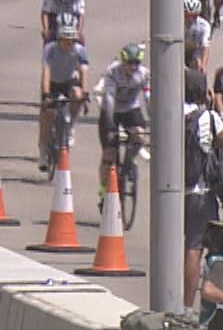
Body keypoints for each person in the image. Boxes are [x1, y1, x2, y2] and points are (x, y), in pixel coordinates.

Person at [183, 73, 223, 310]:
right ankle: (189, 307)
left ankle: (170, 298)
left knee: (176, 246)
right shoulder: (208, 117)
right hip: (200, 192)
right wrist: (213, 109)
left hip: (172, 194)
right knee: (195, 248)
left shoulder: (171, 110)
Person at [98, 44, 151, 199]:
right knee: (109, 153)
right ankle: (102, 189)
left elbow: (148, 99)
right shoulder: (113, 72)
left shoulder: (143, 74)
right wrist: (109, 126)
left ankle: (128, 163)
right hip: (112, 110)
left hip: (131, 109)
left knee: (140, 136)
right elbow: (109, 99)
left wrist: (153, 120)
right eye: (130, 63)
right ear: (123, 62)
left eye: (137, 63)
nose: (133, 67)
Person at [38, 21, 89, 175]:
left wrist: (85, 94)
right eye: (65, 42)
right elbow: (46, 72)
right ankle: (43, 150)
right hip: (52, 83)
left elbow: (83, 72)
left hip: (68, 81)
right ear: (59, 40)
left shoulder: (79, 51)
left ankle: (70, 127)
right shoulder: (50, 49)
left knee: (77, 95)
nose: (69, 45)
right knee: (48, 114)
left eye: (71, 41)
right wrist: (46, 95)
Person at [183, 0, 212, 72]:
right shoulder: (175, 23)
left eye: (194, 16)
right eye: (187, 15)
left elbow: (205, 46)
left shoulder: (204, 25)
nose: (190, 19)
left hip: (195, 51)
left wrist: (204, 66)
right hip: (179, 50)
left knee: (197, 64)